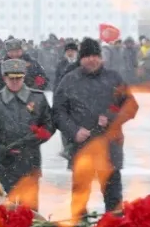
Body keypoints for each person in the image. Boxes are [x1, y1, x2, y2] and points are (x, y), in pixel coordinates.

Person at [53, 37, 139, 216]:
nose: (92, 59)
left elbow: (131, 105)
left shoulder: (113, 78)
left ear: (101, 57)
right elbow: (58, 112)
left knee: (113, 199)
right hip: (81, 149)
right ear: (81, 58)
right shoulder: (69, 80)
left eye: (95, 55)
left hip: (109, 149)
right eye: (87, 56)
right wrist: (74, 131)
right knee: (80, 199)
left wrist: (111, 118)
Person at [0, 58, 55, 211]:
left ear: (24, 77)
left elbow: (49, 124)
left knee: (29, 210)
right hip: (4, 163)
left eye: (19, 78)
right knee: (3, 208)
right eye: (11, 78)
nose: (15, 81)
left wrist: (38, 137)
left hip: (29, 161)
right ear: (4, 78)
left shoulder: (38, 98)